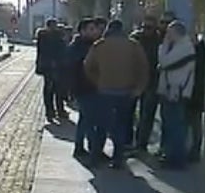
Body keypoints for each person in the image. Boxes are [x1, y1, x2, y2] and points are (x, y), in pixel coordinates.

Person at [84, 19, 149, 169]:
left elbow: (88, 66)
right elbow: (143, 68)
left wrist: (97, 81)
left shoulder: (99, 45)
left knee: (101, 125)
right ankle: (118, 158)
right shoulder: (133, 46)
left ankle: (95, 156)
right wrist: (139, 87)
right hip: (126, 91)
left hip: (104, 90)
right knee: (121, 125)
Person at [156, 20, 196, 169]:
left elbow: (164, 62)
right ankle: (170, 155)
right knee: (169, 125)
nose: (166, 35)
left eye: (169, 32)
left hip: (177, 92)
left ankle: (177, 159)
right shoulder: (178, 46)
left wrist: (163, 46)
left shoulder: (184, 47)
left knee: (176, 126)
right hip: (170, 91)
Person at [68, 18, 101, 159]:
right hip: (84, 87)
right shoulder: (78, 47)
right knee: (89, 119)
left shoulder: (91, 45)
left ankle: (79, 147)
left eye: (96, 29)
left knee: (84, 119)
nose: (96, 32)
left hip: (90, 87)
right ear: (82, 31)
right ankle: (94, 149)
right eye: (91, 29)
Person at [131, 15, 164, 151]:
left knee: (147, 115)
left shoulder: (159, 40)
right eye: (144, 27)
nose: (146, 30)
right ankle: (129, 141)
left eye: (149, 27)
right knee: (129, 113)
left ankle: (141, 143)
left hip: (152, 81)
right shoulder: (135, 38)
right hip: (134, 80)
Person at [36, 18, 68, 122]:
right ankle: (57, 110)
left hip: (49, 66)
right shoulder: (56, 37)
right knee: (56, 89)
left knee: (51, 89)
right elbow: (62, 50)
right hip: (55, 66)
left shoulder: (43, 36)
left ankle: (52, 111)